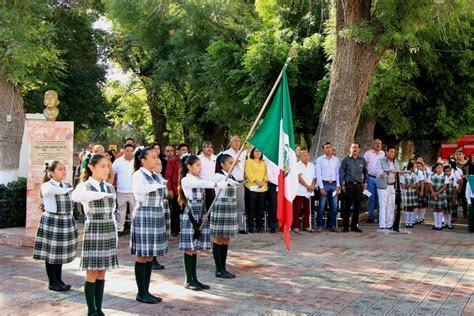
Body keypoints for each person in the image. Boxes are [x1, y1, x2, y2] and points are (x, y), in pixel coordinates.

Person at [71, 153, 118, 316]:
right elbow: (75, 196)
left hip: (108, 230)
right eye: (102, 166)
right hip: (94, 229)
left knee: (102, 270)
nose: (106, 170)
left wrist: (116, 237)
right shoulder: (85, 186)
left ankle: (99, 308)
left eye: (108, 166)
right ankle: (91, 310)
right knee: (92, 271)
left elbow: (112, 213)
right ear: (91, 167)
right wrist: (99, 194)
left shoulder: (110, 187)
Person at [177, 154, 230, 290]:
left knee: (194, 249)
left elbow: (203, 181)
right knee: (189, 249)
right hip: (191, 217)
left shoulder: (197, 178)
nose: (200, 168)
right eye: (198, 165)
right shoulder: (187, 180)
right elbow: (200, 184)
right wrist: (217, 184)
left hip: (200, 216)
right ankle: (188, 280)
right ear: (189, 167)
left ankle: (194, 279)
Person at [131, 147, 168, 304]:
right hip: (144, 214)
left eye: (156, 157)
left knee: (150, 255)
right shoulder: (139, 175)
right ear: (143, 160)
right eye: (152, 157)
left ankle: (146, 290)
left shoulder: (156, 175)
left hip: (156, 214)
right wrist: (157, 186)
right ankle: (141, 292)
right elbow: (139, 191)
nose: (155, 159)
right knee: (142, 254)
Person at [33, 160, 77, 292]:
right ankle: (52, 282)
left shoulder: (66, 185)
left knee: (60, 253)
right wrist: (72, 189)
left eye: (64, 169)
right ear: (51, 173)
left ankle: (59, 280)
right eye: (60, 169)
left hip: (65, 221)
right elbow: (57, 191)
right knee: (51, 253)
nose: (63, 171)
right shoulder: (47, 186)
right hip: (53, 221)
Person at [211, 154, 239, 278]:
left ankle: (223, 267)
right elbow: (233, 183)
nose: (232, 165)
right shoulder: (218, 176)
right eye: (230, 163)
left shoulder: (231, 175)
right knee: (218, 237)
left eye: (233, 162)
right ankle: (219, 268)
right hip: (221, 208)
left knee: (226, 238)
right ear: (222, 164)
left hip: (230, 208)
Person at [339, 142, 367, 233]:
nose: (354, 149)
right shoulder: (345, 160)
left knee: (357, 206)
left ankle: (354, 226)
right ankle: (346, 226)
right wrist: (342, 185)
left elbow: (366, 172)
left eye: (356, 148)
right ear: (350, 149)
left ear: (359, 149)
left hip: (359, 186)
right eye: (353, 147)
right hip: (349, 185)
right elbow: (341, 174)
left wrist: (365, 182)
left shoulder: (362, 160)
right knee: (347, 206)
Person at [224, 136, 248, 234]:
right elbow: (223, 167)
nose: (237, 143)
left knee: (240, 205)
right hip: (229, 182)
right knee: (229, 205)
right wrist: (233, 162)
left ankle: (240, 227)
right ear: (231, 142)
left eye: (239, 141)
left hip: (240, 182)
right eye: (235, 141)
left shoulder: (242, 153)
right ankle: (229, 226)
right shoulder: (226, 153)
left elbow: (244, 166)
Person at [315, 142, 341, 232]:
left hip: (334, 184)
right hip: (324, 184)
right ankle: (320, 225)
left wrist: (338, 186)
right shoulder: (319, 160)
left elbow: (338, 173)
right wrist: (321, 187)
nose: (329, 149)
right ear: (323, 149)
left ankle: (332, 226)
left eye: (330, 147)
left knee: (334, 206)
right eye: (326, 147)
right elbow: (318, 174)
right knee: (321, 206)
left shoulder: (336, 160)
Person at [112, 143, 136, 236]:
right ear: (124, 151)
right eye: (127, 151)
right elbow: (112, 173)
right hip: (121, 190)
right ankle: (119, 229)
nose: (129, 153)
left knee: (134, 210)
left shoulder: (136, 162)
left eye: (131, 151)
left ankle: (134, 228)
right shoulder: (118, 161)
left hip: (133, 191)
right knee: (121, 211)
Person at [166, 143, 189, 237]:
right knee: (175, 211)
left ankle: (186, 228)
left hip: (186, 190)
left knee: (186, 210)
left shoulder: (189, 161)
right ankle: (175, 229)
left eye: (186, 150)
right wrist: (169, 189)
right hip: (176, 190)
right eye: (182, 149)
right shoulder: (172, 161)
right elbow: (168, 176)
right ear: (178, 151)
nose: (184, 151)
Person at [375, 145, 400, 230]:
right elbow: (378, 173)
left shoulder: (395, 162)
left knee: (391, 205)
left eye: (394, 152)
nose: (392, 154)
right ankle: (382, 225)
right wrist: (388, 171)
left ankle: (389, 224)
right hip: (383, 186)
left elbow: (398, 172)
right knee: (383, 205)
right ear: (386, 152)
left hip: (392, 185)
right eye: (391, 152)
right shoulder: (380, 161)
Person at [244, 147, 268, 233]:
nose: (258, 153)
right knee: (251, 207)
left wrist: (263, 181)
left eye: (260, 151)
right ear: (252, 152)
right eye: (256, 151)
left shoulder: (264, 162)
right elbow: (248, 173)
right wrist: (257, 181)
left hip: (262, 188)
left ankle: (259, 226)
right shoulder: (249, 161)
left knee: (260, 208)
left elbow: (266, 173)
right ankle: (251, 226)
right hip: (252, 187)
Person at [292, 150, 316, 233]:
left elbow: (314, 177)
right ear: (300, 156)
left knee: (307, 210)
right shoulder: (297, 165)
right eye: (304, 155)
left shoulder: (312, 165)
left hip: (309, 191)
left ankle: (306, 226)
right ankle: (296, 226)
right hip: (300, 190)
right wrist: (307, 186)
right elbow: (298, 177)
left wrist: (312, 186)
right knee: (297, 209)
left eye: (307, 155)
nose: (306, 157)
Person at [363, 139, 385, 223]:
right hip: (370, 178)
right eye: (376, 143)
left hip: (381, 179)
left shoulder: (383, 154)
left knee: (380, 198)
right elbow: (363, 166)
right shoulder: (368, 154)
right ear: (373, 144)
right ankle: (370, 217)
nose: (378, 145)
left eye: (379, 143)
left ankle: (380, 217)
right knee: (371, 198)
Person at [427, 163, 448, 230]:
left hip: (441, 194)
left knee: (440, 209)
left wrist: (437, 193)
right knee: (435, 209)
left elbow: (445, 186)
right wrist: (433, 193)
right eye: (438, 168)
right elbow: (430, 185)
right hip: (433, 194)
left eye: (441, 168)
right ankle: (436, 224)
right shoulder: (431, 176)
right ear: (435, 169)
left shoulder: (445, 176)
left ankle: (440, 225)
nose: (440, 169)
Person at [198, 141, 217, 211]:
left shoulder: (216, 158)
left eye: (211, 147)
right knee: (203, 207)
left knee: (213, 206)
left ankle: (211, 220)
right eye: (207, 147)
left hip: (214, 185)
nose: (209, 149)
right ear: (203, 149)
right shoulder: (198, 158)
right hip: (203, 185)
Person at [400, 161, 419, 228]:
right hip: (406, 193)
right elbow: (402, 185)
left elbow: (416, 185)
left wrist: (410, 186)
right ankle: (407, 222)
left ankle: (411, 222)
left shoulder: (414, 175)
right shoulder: (404, 174)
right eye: (415, 167)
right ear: (411, 167)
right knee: (407, 207)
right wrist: (410, 185)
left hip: (413, 193)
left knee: (412, 207)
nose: (415, 168)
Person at [264, 154, 279, 233]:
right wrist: (278, 183)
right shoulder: (268, 157)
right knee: (273, 205)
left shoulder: (282, 155)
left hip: (283, 184)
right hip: (273, 184)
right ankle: (272, 225)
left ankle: (281, 223)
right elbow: (268, 174)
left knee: (281, 204)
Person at [455, 149, 469, 218]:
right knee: (456, 197)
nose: (458, 155)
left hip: (467, 182)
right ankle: (454, 214)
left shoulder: (469, 163)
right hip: (458, 182)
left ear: (464, 155)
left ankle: (465, 212)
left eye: (459, 154)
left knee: (465, 198)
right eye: (457, 154)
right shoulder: (455, 164)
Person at [444, 164, 458, 230]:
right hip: (444, 196)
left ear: (450, 171)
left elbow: (455, 187)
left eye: (448, 171)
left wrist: (454, 196)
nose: (447, 172)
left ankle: (449, 223)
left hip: (450, 195)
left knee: (449, 210)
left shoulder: (453, 177)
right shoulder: (443, 177)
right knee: (444, 210)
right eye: (446, 171)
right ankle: (445, 223)